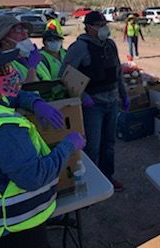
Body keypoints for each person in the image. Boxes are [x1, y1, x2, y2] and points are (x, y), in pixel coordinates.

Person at [0, 40, 85, 248]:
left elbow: (15, 97)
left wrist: (35, 103)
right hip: (12, 232)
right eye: (1, 70)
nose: (9, 73)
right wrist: (68, 145)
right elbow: (34, 177)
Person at [60, 11, 128, 191]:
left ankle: (107, 177)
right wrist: (83, 96)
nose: (104, 28)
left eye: (104, 24)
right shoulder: (79, 48)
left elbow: (118, 70)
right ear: (89, 27)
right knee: (92, 147)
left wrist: (123, 93)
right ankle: (90, 182)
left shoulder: (110, 45)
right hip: (93, 106)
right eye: (99, 25)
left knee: (109, 144)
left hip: (111, 101)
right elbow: (64, 74)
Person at [0, 16, 52, 83]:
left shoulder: (32, 57)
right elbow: (20, 92)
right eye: (18, 29)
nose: (25, 34)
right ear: (4, 39)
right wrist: (32, 68)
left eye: (24, 29)